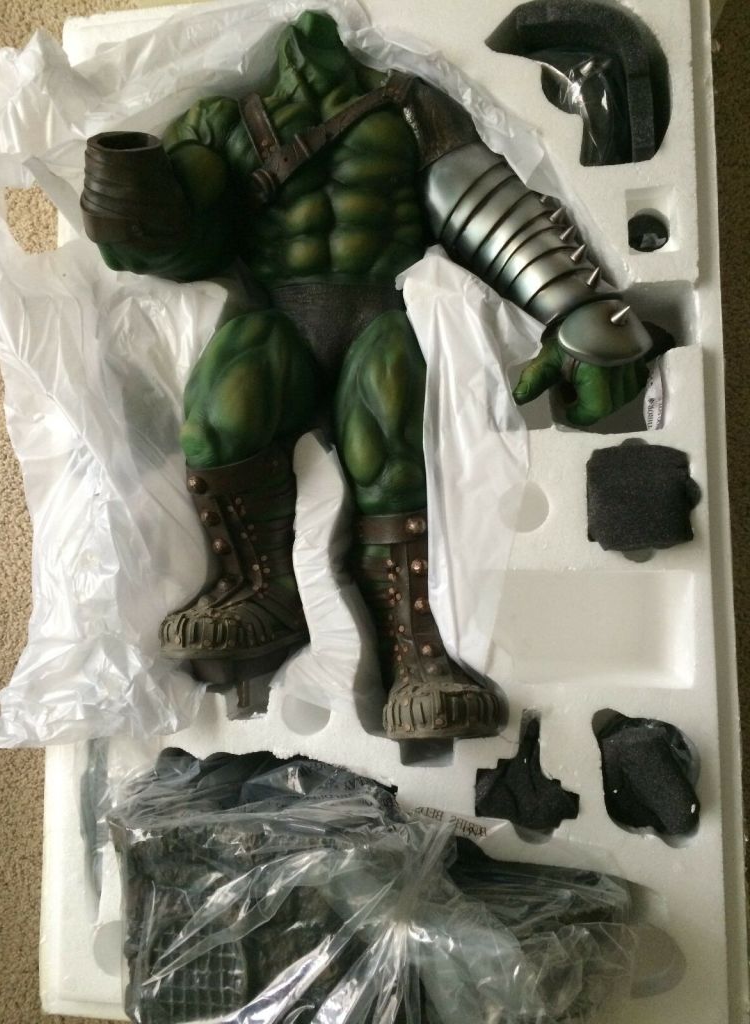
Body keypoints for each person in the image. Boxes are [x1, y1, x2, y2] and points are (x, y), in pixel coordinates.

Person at [80, 11, 651, 742]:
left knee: (388, 412)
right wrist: (130, 205)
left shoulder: (409, 103)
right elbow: (188, 244)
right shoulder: (220, 125)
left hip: (383, 306)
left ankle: (417, 654)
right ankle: (255, 589)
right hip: (283, 315)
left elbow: (477, 202)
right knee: (225, 398)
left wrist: (580, 318)